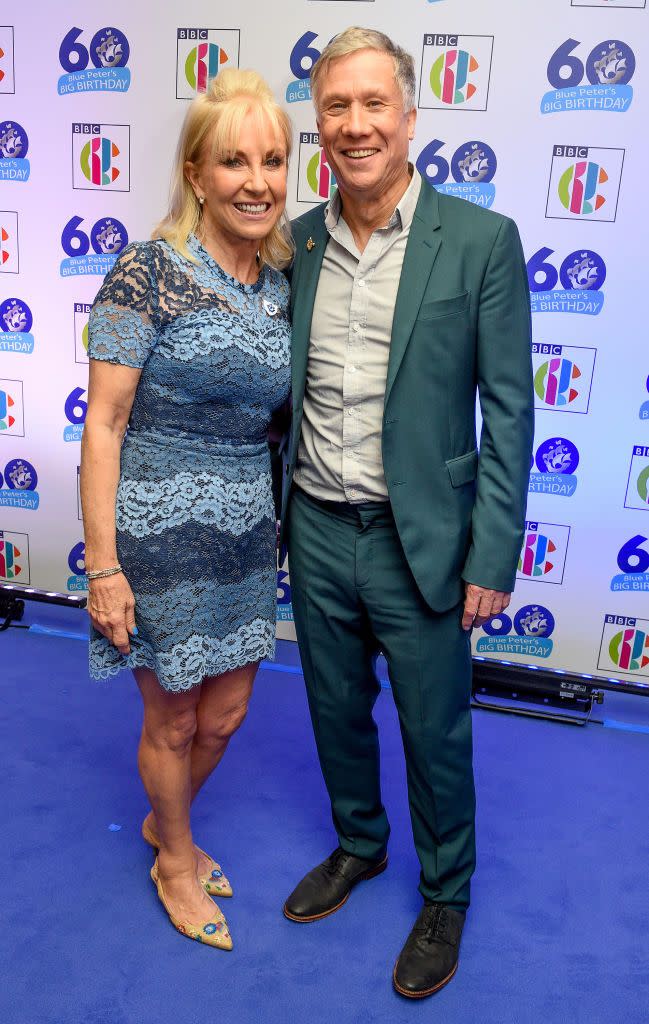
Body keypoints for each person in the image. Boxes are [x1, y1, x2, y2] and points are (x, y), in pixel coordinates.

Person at [280, 28, 534, 997]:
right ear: (319, 123)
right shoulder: (295, 240)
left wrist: (492, 552)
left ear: (410, 117)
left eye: (372, 104)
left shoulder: (480, 240)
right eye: (336, 107)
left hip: (417, 538)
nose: (354, 125)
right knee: (334, 710)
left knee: (436, 730)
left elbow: (510, 408)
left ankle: (445, 892)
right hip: (314, 522)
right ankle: (359, 843)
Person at [80, 69, 293, 950]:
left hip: (248, 535)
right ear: (196, 174)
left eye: (273, 161)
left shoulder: (283, 280)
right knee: (171, 715)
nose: (257, 181)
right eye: (233, 161)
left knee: (227, 716)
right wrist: (104, 567)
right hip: (155, 531)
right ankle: (174, 856)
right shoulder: (147, 270)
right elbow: (104, 423)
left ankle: (163, 825)